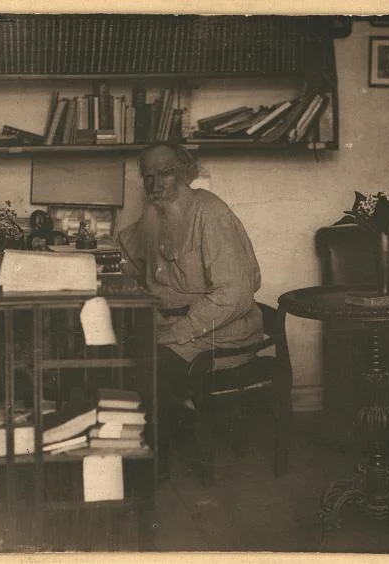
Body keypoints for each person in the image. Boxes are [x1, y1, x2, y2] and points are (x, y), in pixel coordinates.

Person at [118, 142, 263, 474]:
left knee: (146, 369)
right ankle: (156, 439)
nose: (155, 185)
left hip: (220, 331)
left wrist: (179, 330)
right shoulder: (157, 212)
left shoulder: (211, 213)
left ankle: (150, 470)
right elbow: (128, 250)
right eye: (148, 176)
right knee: (115, 353)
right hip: (175, 324)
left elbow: (235, 294)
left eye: (165, 174)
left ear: (185, 173)